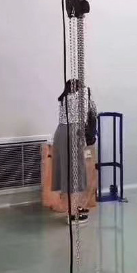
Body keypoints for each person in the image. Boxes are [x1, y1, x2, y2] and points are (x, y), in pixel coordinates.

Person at [52, 79, 97, 225]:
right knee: (76, 174)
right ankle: (73, 214)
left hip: (61, 133)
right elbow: (92, 112)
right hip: (74, 133)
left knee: (67, 173)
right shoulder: (82, 95)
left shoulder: (64, 98)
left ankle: (71, 208)